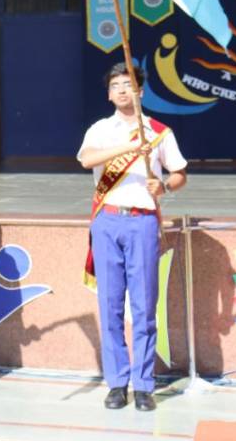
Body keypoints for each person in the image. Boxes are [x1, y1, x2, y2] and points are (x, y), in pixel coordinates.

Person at [77, 63, 187, 412]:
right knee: (109, 305)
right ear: (109, 94)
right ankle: (116, 383)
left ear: (140, 91)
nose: (123, 90)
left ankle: (143, 385)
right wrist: (125, 149)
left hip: (142, 222)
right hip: (107, 221)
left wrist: (164, 185)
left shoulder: (159, 132)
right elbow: (86, 160)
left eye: (129, 84)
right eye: (116, 85)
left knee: (143, 306)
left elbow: (180, 173)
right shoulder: (100, 129)